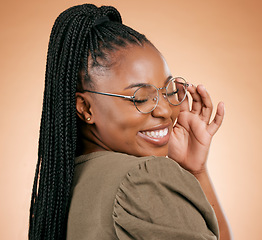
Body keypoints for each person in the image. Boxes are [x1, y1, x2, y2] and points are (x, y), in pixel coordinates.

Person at [29, 3, 232, 240]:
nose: (165, 111)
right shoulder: (144, 179)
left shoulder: (63, 186)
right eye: (141, 98)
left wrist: (194, 171)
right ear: (85, 108)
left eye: (167, 91)